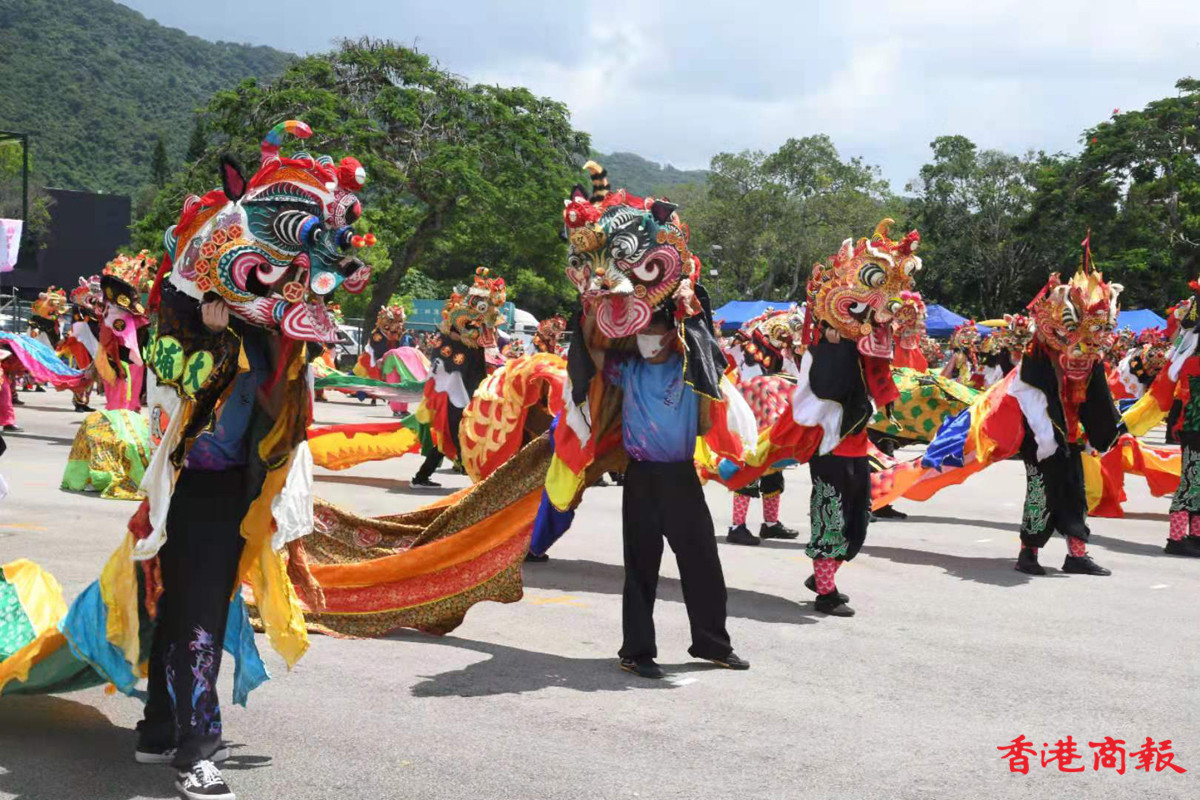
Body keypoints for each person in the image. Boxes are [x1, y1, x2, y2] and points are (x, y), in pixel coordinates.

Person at [589, 305, 749, 679]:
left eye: (654, 333)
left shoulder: (691, 370)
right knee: (641, 567)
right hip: (642, 478)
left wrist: (687, 306)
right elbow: (592, 351)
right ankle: (636, 651)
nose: (647, 341)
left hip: (682, 478)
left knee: (703, 563)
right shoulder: (628, 369)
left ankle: (713, 644)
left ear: (671, 335)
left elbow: (710, 348)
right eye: (642, 333)